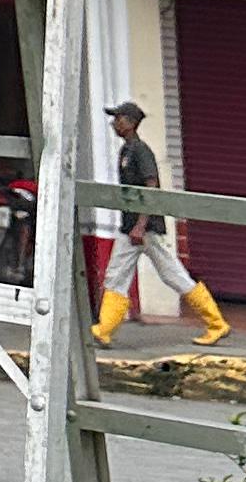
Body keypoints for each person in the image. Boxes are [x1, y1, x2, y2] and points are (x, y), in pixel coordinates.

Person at [92, 98, 228, 343]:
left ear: (130, 123)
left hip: (146, 229)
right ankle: (104, 330)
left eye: (118, 119)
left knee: (173, 275)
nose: (114, 123)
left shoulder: (141, 151)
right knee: (116, 275)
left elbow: (151, 186)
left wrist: (141, 225)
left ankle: (216, 324)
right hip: (131, 227)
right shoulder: (127, 150)